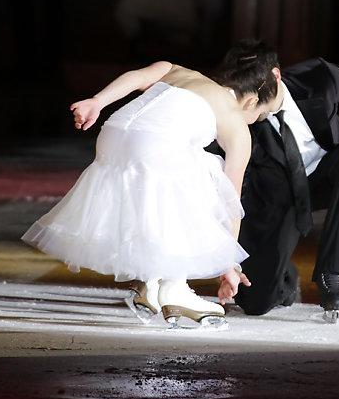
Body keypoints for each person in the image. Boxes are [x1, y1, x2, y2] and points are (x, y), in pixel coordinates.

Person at [21, 61, 263, 328]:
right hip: (155, 142)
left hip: (114, 134)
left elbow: (136, 77)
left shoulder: (181, 72)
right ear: (251, 103)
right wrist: (228, 264)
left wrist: (97, 102)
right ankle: (174, 288)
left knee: (156, 196)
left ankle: (150, 279)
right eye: (258, 118)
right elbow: (231, 201)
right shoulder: (237, 123)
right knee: (209, 175)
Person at [213, 40, 339, 321]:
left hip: (327, 173)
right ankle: (283, 278)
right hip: (276, 194)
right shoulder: (233, 114)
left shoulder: (322, 80)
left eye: (251, 101)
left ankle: (333, 275)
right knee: (254, 301)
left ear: (275, 76)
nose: (245, 109)